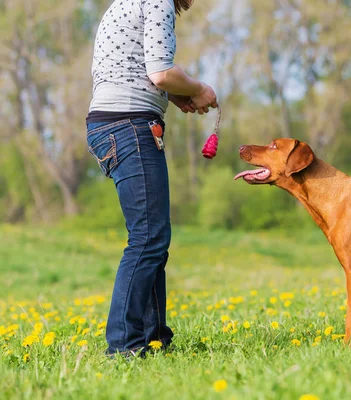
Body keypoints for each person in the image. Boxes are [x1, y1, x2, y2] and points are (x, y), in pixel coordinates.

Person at [85, 0, 216, 356]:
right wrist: (196, 88)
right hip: (128, 125)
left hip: (110, 124)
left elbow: (139, 69)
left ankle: (154, 340)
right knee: (147, 238)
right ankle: (124, 347)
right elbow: (160, 71)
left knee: (152, 239)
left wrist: (173, 93)